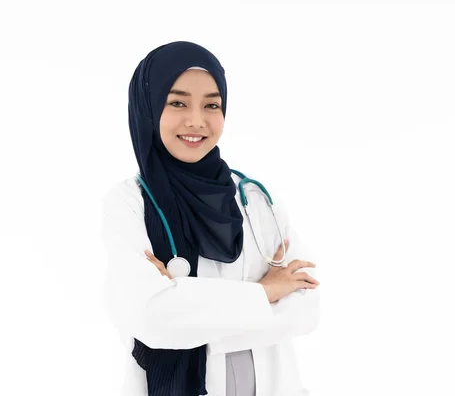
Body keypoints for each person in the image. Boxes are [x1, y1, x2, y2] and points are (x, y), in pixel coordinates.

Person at [101, 41, 321, 396]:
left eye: (212, 105)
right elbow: (151, 318)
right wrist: (265, 293)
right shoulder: (128, 203)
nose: (196, 120)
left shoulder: (254, 199)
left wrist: (188, 311)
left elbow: (305, 311)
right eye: (177, 102)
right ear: (148, 106)